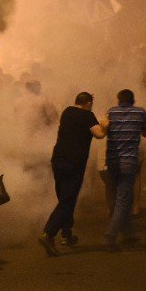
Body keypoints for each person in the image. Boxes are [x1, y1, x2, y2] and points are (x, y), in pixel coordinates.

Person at [38, 92, 105, 256]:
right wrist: (106, 123)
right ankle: (48, 233)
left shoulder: (67, 112)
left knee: (64, 199)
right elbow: (99, 134)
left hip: (58, 160)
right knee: (67, 202)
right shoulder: (88, 115)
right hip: (74, 164)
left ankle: (67, 235)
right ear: (88, 103)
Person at [102, 89, 146, 250]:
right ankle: (110, 236)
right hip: (128, 161)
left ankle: (129, 233)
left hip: (112, 161)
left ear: (118, 100)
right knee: (123, 199)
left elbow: (104, 129)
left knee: (124, 198)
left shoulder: (111, 112)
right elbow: (145, 133)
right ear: (133, 100)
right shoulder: (140, 112)